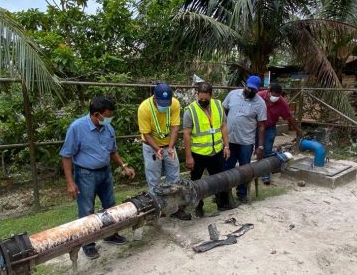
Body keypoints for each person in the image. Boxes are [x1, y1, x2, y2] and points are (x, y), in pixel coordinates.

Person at [60, 96, 136, 260]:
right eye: (107, 116)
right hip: (85, 174)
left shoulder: (108, 129)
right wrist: (70, 182)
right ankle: (88, 244)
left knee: (110, 206)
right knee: (87, 210)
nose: (109, 119)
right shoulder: (77, 128)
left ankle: (110, 235)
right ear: (96, 114)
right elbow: (66, 156)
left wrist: (124, 167)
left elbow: (113, 152)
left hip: (105, 172)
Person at [137, 83, 191, 220]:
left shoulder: (174, 104)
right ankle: (158, 209)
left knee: (174, 177)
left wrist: (171, 147)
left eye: (167, 103)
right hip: (151, 147)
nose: (165, 106)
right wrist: (157, 149)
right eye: (162, 103)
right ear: (154, 97)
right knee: (154, 179)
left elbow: (174, 127)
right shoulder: (144, 108)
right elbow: (146, 134)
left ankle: (176, 208)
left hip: (168, 145)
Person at [183, 82, 233, 217]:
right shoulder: (190, 111)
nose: (203, 101)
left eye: (206, 98)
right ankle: (198, 208)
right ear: (197, 95)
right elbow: (186, 134)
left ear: (211, 95)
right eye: (200, 98)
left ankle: (222, 204)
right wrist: (188, 157)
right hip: (198, 154)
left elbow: (223, 126)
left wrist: (226, 146)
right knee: (196, 183)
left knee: (221, 179)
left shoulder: (218, 105)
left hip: (216, 151)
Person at [222, 75, 267, 203]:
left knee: (245, 168)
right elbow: (223, 111)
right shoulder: (232, 94)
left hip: (246, 142)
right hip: (229, 140)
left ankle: (242, 193)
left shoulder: (260, 104)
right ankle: (224, 192)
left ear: (257, 90)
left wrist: (260, 146)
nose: (250, 91)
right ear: (245, 85)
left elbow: (262, 126)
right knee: (227, 167)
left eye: (254, 89)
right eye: (249, 88)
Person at [257, 83, 303, 184]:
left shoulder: (282, 103)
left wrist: (297, 129)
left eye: (278, 96)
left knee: (267, 150)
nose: (276, 98)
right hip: (255, 127)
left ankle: (266, 175)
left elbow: (289, 117)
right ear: (269, 92)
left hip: (269, 127)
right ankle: (257, 171)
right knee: (258, 150)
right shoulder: (259, 96)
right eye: (274, 95)